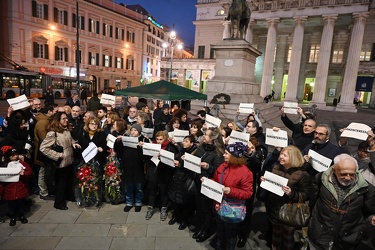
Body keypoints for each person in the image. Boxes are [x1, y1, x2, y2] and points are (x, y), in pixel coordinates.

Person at [308, 154, 375, 250]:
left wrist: (371, 219)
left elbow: (370, 213)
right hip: (319, 237)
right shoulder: (321, 179)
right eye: (343, 174)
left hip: (347, 241)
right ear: (334, 170)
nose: (348, 178)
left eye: (352, 174)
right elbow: (313, 202)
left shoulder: (367, 189)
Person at [260, 146, 311, 250]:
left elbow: (305, 195)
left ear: (293, 158)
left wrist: (291, 193)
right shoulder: (276, 167)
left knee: (288, 237)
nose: (281, 157)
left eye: (285, 155)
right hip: (274, 207)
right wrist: (265, 180)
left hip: (289, 211)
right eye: (281, 154)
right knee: (276, 235)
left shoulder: (302, 174)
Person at [211, 142, 253, 250]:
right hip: (218, 205)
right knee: (220, 231)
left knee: (231, 234)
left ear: (235, 156)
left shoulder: (245, 172)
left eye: (226, 153)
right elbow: (215, 180)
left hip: (232, 210)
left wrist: (231, 191)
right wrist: (207, 182)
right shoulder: (223, 166)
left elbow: (248, 193)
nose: (224, 155)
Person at [39, 112, 80, 210]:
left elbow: (69, 140)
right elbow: (43, 148)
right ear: (58, 120)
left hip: (69, 160)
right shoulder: (53, 133)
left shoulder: (66, 130)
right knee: (61, 183)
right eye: (64, 119)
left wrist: (73, 143)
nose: (66, 120)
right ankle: (59, 203)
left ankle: (69, 196)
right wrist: (57, 155)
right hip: (61, 162)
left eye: (66, 118)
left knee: (69, 180)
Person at [192, 127, 225, 243]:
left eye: (206, 134)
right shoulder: (202, 147)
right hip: (197, 181)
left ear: (212, 138)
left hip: (208, 184)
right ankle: (201, 226)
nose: (204, 136)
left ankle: (206, 229)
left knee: (206, 208)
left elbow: (218, 171)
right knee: (199, 206)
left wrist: (208, 167)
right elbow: (195, 158)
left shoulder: (218, 153)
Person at [145, 131, 178, 221]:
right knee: (152, 190)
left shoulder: (169, 148)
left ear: (165, 139)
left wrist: (162, 157)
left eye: (161, 139)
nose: (159, 141)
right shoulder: (152, 147)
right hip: (153, 171)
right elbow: (146, 158)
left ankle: (164, 208)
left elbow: (171, 161)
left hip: (164, 173)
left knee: (164, 192)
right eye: (157, 139)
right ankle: (150, 208)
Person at [0, 147, 32, 226]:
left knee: (20, 204)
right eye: (12, 155)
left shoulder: (21, 163)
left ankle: (21, 216)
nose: (15, 156)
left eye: (16, 154)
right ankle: (13, 217)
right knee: (11, 206)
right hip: (9, 189)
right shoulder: (5, 165)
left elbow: (29, 171)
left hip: (20, 187)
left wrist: (24, 173)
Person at [123, 124, 149, 212]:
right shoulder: (126, 139)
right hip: (128, 166)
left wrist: (141, 147)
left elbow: (144, 157)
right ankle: (129, 202)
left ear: (139, 132)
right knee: (128, 186)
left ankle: (138, 202)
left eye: (135, 130)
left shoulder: (144, 140)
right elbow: (119, 149)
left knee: (139, 186)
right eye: (132, 130)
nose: (133, 132)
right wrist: (118, 141)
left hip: (138, 167)